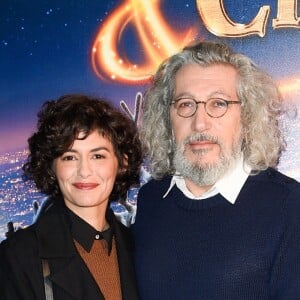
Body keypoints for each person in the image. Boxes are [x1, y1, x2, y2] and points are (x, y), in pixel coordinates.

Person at [132, 41, 300, 299]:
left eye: (219, 103)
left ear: (247, 117)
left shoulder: (289, 205)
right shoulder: (151, 200)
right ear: (168, 117)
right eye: (186, 104)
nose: (200, 123)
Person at [0, 94, 142, 299]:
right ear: (51, 166)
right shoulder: (18, 257)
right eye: (69, 157)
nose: (84, 171)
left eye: (98, 156)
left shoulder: (138, 248)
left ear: (122, 163)